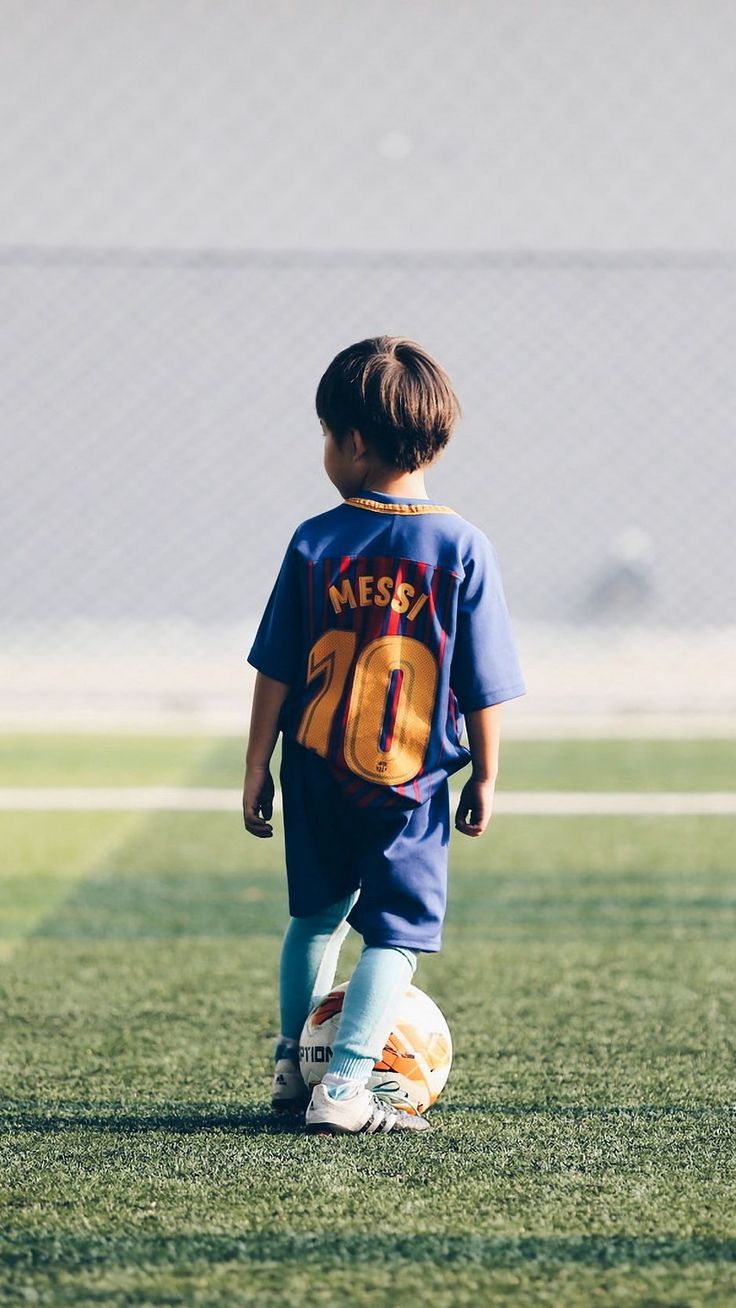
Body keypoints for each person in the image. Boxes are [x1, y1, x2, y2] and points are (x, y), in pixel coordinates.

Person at [242, 336, 525, 1136]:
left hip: (313, 768)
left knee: (316, 919)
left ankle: (293, 1072)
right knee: (395, 937)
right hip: (408, 779)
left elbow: (275, 669)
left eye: (327, 434)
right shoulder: (462, 548)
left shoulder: (314, 541)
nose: (325, 451)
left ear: (355, 443)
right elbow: (483, 683)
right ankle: (346, 1088)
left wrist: (256, 765)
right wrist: (489, 777)